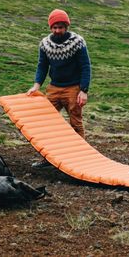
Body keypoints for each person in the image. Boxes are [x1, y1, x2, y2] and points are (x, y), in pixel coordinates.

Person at [26, 9, 92, 168]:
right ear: (50, 28)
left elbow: (85, 66)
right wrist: (36, 85)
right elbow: (42, 66)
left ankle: (80, 159)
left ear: (66, 26)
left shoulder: (77, 42)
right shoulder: (45, 44)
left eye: (60, 27)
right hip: (54, 88)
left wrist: (83, 90)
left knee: (75, 123)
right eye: (54, 27)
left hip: (73, 89)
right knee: (46, 124)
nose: (57, 30)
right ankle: (47, 158)